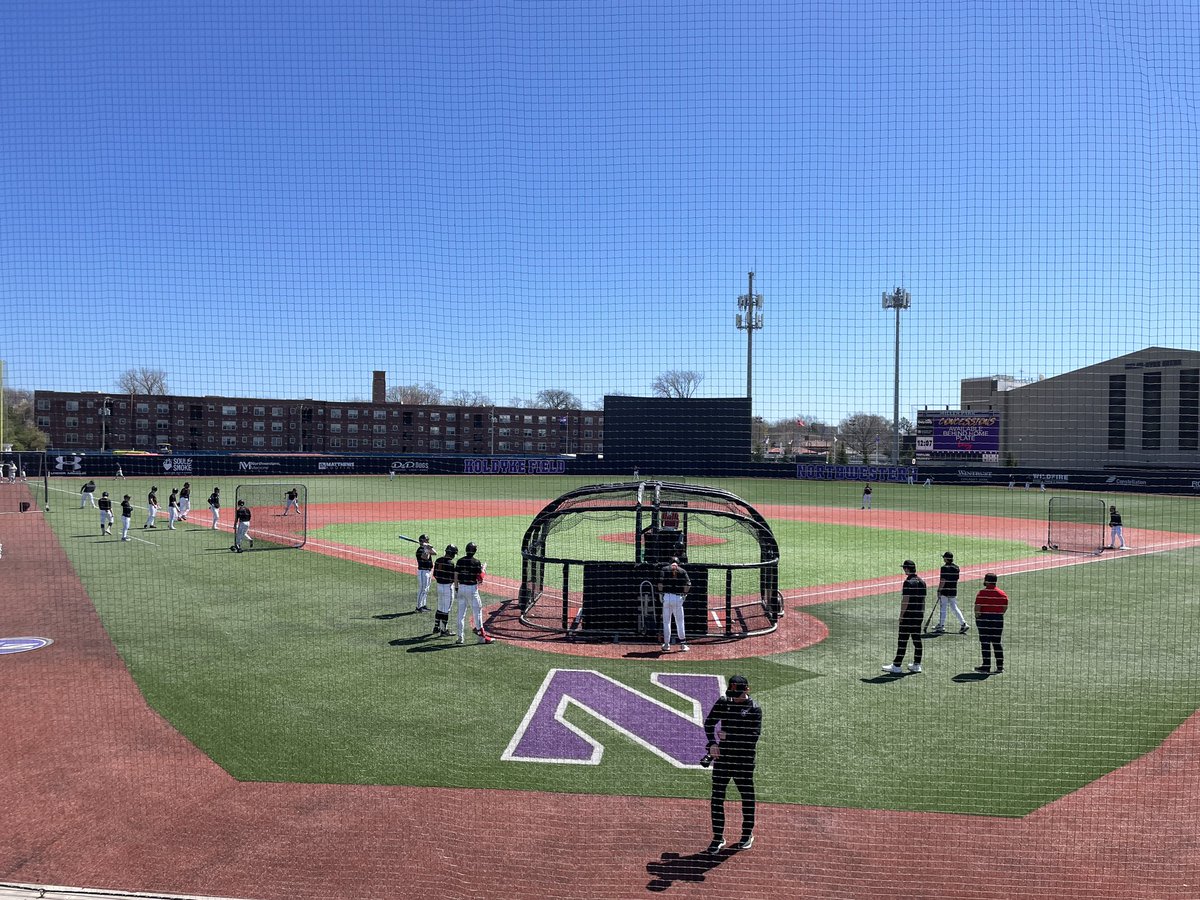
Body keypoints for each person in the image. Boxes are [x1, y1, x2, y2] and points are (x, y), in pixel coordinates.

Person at [703, 674, 763, 855]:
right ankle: (718, 837)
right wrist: (712, 743)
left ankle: (746, 834)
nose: (733, 697)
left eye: (736, 693)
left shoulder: (754, 709)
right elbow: (709, 724)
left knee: (747, 797)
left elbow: (752, 738)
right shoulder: (724, 702)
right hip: (723, 760)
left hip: (743, 761)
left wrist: (729, 736)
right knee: (717, 798)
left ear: (747, 690)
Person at [883, 560, 925, 675]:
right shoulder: (922, 582)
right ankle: (917, 664)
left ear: (907, 569)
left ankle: (897, 665)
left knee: (902, 640)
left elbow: (905, 600)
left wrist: (901, 615)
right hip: (918, 615)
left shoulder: (908, 582)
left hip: (908, 616)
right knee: (917, 640)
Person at [454, 542, 493, 645]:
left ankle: (460, 637)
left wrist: (456, 588)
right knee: (477, 612)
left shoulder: (460, 561)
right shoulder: (476, 562)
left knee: (460, 615)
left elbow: (456, 575)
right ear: (475, 551)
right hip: (471, 590)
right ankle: (481, 638)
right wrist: (483, 569)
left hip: (461, 588)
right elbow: (480, 579)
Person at [973, 572, 1009, 674]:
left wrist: (978, 618)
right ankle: (1000, 667)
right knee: (997, 643)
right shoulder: (1002, 594)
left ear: (987, 581)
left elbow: (977, 609)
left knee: (985, 643)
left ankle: (986, 666)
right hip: (997, 619)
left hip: (984, 619)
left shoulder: (982, 593)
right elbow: (1004, 608)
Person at [658, 556, 691, 653]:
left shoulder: (664, 569)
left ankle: (667, 645)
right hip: (678, 598)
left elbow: (660, 583)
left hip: (667, 597)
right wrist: (685, 594)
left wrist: (660, 594)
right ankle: (683, 644)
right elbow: (688, 584)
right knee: (680, 622)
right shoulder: (682, 571)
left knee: (666, 622)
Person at [932, 551, 969, 635]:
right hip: (953, 590)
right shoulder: (956, 568)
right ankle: (963, 623)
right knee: (954, 607)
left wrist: (939, 590)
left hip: (945, 591)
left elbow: (943, 580)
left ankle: (941, 626)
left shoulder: (944, 568)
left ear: (946, 558)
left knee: (943, 608)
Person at [432, 544, 458, 636]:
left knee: (440, 607)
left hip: (439, 586)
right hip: (447, 588)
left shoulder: (438, 560)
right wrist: (456, 587)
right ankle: (444, 630)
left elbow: (435, 574)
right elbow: (453, 578)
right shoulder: (451, 563)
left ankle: (436, 626)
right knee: (446, 609)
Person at [413, 533, 434, 612]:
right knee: (422, 589)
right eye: (426, 540)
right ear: (422, 541)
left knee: (426, 589)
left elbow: (435, 553)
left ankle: (423, 605)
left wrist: (429, 547)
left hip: (428, 571)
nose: (428, 541)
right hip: (423, 572)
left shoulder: (426, 548)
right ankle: (418, 607)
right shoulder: (420, 550)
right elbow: (426, 557)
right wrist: (426, 548)